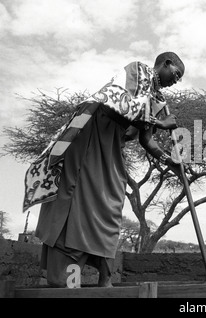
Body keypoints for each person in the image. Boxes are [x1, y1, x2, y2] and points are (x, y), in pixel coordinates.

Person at [24, 52, 185, 287]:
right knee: (79, 198)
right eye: (176, 74)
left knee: (110, 202)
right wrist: (161, 122)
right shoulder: (137, 70)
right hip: (89, 135)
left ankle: (103, 276)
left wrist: (169, 161)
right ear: (166, 64)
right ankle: (68, 280)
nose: (176, 80)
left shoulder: (156, 99)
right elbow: (114, 103)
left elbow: (146, 140)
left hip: (110, 144)